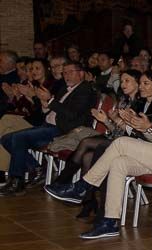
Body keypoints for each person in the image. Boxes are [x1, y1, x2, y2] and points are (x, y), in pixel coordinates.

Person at [46, 65, 152, 240]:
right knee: (118, 163)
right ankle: (109, 222)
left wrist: (151, 128)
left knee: (120, 142)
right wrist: (141, 127)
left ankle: (82, 187)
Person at [0, 61, 98, 196]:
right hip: (48, 125)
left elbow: (72, 115)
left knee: (18, 138)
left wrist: (50, 100)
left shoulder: (85, 90)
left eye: (70, 72)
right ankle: (37, 168)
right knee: (6, 139)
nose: (66, 76)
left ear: (81, 73)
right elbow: (51, 111)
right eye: (64, 73)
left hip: (64, 130)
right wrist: (44, 103)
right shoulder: (65, 88)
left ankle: (17, 181)